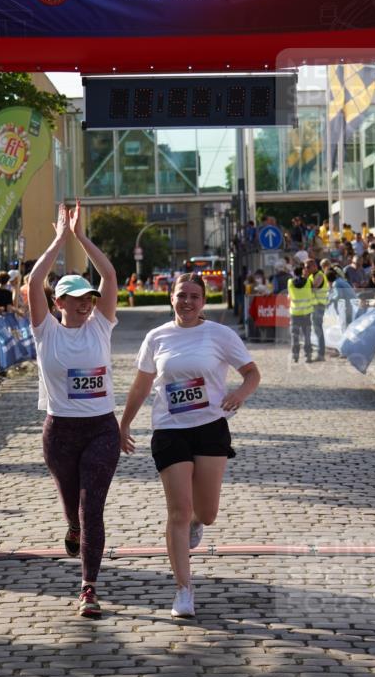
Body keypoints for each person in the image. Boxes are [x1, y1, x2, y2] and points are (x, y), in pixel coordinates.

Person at [119, 273, 260, 619]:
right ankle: (184, 589)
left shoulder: (220, 334)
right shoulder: (157, 337)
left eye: (195, 296)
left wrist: (238, 395)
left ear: (204, 302)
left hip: (211, 427)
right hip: (169, 429)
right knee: (177, 511)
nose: (187, 302)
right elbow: (141, 387)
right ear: (171, 298)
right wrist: (122, 424)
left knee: (206, 513)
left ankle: (198, 520)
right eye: (182, 295)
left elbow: (252, 373)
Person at [29, 202, 120, 619]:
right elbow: (33, 281)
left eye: (90, 299)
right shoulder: (45, 330)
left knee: (92, 508)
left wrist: (80, 237)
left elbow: (110, 276)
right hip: (60, 432)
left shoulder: (101, 324)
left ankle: (89, 587)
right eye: (77, 299)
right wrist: (58, 239)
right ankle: (71, 528)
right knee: (73, 510)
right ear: (59, 301)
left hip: (102, 428)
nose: (86, 304)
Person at [287, 265, 314, 363]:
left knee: (295, 335)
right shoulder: (308, 282)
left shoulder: (290, 282)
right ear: (302, 271)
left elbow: (289, 296)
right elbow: (311, 294)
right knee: (307, 334)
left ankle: (295, 355)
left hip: (294, 312)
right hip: (306, 312)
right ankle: (308, 355)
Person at [305, 258, 329, 360]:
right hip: (313, 305)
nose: (306, 269)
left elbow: (313, 287)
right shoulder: (311, 276)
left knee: (318, 329)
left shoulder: (319, 275)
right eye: (305, 267)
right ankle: (320, 352)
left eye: (308, 267)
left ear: (314, 266)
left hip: (319, 305)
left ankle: (321, 354)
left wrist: (305, 279)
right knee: (316, 329)